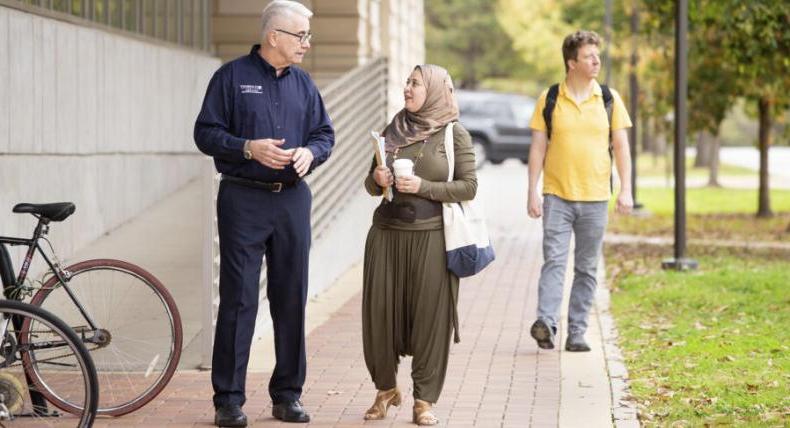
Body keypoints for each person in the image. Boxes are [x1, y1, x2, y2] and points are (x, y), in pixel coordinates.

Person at [194, 1, 334, 426]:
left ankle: (287, 395)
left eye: (308, 36)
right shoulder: (231, 77)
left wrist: (312, 152)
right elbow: (205, 132)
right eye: (301, 36)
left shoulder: (305, 84)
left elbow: (325, 134)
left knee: (291, 296)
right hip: (243, 198)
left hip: (292, 199)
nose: (307, 44)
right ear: (274, 36)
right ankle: (229, 401)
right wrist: (246, 147)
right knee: (239, 300)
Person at [361, 64, 476, 426]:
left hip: (431, 238)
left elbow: (468, 186)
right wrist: (377, 178)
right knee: (380, 317)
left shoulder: (454, 134)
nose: (407, 88)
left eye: (415, 83)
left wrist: (423, 188)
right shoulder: (391, 130)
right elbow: (370, 184)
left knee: (430, 319)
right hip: (386, 235)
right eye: (407, 82)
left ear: (437, 90)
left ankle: (424, 401)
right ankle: (385, 390)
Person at [527, 30, 633, 352]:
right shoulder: (550, 99)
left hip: (596, 197)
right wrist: (531, 190)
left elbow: (622, 147)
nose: (596, 60)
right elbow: (537, 148)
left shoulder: (609, 98)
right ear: (572, 63)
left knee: (587, 268)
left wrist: (626, 189)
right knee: (554, 262)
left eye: (597, 55)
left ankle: (577, 332)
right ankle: (546, 323)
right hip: (557, 195)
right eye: (589, 56)